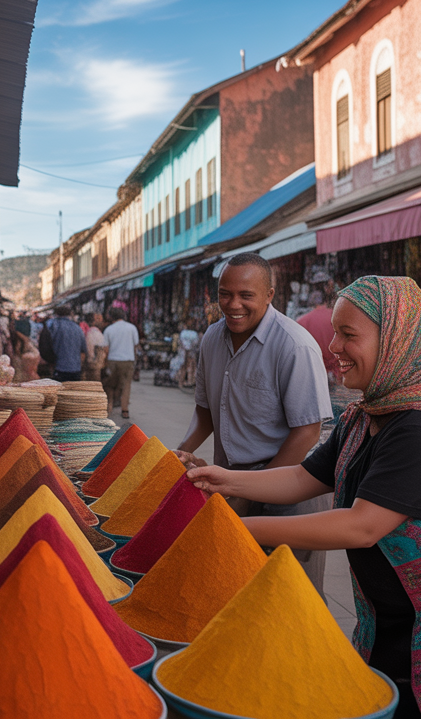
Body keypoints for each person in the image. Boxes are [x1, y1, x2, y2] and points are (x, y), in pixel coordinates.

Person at [187, 276, 421, 719]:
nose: (332, 346)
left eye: (348, 335)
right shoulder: (366, 414)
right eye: (335, 331)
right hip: (412, 623)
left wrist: (235, 527)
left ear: (397, 340)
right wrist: (222, 481)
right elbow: (301, 477)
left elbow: (362, 526)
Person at [177, 253, 332, 592]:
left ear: (269, 295)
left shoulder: (294, 345)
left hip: (291, 491)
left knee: (289, 596)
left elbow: (307, 431)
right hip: (232, 483)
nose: (233, 304)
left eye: (246, 295)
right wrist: (181, 451)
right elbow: (205, 411)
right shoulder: (211, 340)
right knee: (238, 588)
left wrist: (253, 490)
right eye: (224, 294)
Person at [102, 307, 140, 418]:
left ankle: (109, 406)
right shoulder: (132, 328)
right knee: (126, 385)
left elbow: (106, 348)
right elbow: (135, 345)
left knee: (110, 385)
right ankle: (125, 410)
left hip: (113, 360)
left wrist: (106, 361)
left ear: (111, 317)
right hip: (128, 360)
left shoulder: (109, 329)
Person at [296, 290, 341, 380]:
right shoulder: (338, 316)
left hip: (316, 376)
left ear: (310, 304)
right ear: (325, 302)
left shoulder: (302, 322)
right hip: (340, 374)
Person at [38, 305, 85, 381]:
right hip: (76, 370)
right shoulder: (78, 328)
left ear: (56, 314)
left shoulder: (52, 326)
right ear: (70, 314)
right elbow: (83, 351)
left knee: (60, 392)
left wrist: (50, 362)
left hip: (59, 368)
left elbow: (45, 347)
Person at [83, 313, 108, 381]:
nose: (101, 321)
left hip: (92, 364)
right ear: (93, 322)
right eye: (98, 319)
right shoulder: (94, 333)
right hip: (95, 366)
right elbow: (105, 349)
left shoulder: (90, 332)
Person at [178, 321, 200, 388]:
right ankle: (190, 381)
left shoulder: (183, 333)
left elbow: (180, 342)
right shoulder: (194, 334)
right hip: (191, 352)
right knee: (192, 366)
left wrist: (185, 349)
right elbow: (196, 343)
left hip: (183, 351)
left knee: (183, 367)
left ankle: (181, 382)